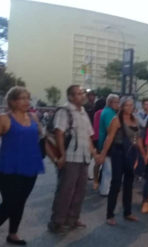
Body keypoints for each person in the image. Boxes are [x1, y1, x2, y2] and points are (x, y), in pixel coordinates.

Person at [48, 85, 98, 233]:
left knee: (80, 190)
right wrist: (62, 155)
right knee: (65, 190)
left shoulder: (82, 112)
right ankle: (57, 221)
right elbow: (59, 133)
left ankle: (73, 219)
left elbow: (89, 136)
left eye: (83, 93)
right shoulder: (65, 111)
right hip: (70, 158)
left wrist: (94, 154)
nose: (82, 96)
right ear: (70, 97)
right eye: (78, 94)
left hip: (82, 158)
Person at [0, 87, 45, 245]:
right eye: (22, 98)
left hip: (31, 166)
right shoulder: (4, 118)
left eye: (28, 98)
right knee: (9, 203)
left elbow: (40, 137)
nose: (27, 101)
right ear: (12, 101)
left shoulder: (33, 117)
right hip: (9, 168)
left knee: (20, 202)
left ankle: (13, 234)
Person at [97, 96, 145, 225]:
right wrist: (102, 154)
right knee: (116, 183)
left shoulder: (134, 119)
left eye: (131, 105)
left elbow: (137, 139)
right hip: (118, 153)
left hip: (131, 153)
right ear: (122, 106)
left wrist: (143, 154)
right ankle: (110, 214)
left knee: (129, 183)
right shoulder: (116, 120)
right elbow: (109, 138)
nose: (129, 107)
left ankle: (127, 212)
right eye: (126, 105)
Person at [97, 94, 120, 196]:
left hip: (104, 142)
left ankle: (105, 188)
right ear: (110, 102)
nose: (118, 104)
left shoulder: (107, 111)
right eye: (116, 102)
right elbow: (110, 131)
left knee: (107, 169)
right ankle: (105, 190)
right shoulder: (109, 113)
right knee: (108, 170)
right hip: (107, 143)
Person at [89, 98, 106, 187]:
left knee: (97, 161)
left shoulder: (96, 113)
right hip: (101, 138)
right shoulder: (103, 112)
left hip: (95, 138)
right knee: (101, 161)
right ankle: (97, 180)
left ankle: (95, 180)